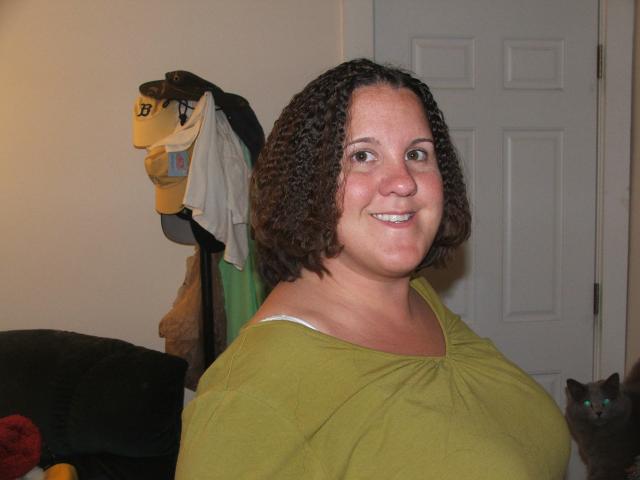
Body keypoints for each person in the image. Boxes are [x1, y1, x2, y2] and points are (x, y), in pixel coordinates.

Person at [175, 59, 570, 479]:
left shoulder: (414, 296)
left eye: (417, 154)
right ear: (305, 182)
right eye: (362, 156)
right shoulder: (247, 400)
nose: (403, 181)